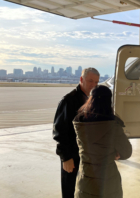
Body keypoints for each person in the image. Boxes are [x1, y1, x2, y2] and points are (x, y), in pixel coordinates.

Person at [73, 85, 132, 198]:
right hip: (107, 180)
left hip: (85, 177)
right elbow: (127, 152)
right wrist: (116, 153)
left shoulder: (80, 123)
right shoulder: (113, 125)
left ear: (90, 100)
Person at [53, 68, 100, 198]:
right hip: (72, 155)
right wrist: (66, 157)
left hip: (89, 155)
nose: (94, 85)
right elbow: (60, 132)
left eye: (96, 82)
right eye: (90, 81)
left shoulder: (94, 100)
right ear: (81, 79)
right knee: (70, 189)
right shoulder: (68, 101)